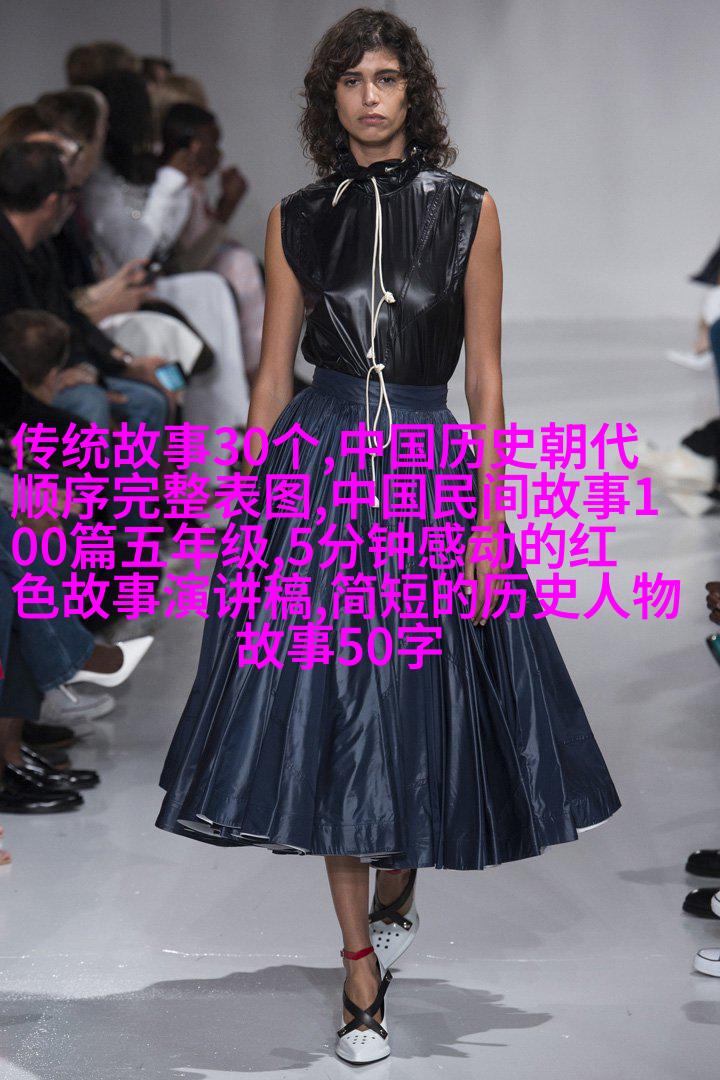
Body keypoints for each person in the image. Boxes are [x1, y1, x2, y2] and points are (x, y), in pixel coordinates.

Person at [154, 8, 621, 1066]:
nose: (370, 97)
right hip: (315, 470)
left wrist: (491, 523)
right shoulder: (295, 218)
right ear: (330, 99)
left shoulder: (469, 211)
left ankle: (399, 877)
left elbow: (486, 379)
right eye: (352, 81)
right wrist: (244, 500)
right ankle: (359, 969)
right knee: (331, 711)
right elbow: (270, 378)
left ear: (415, 94)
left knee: (412, 700)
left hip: (422, 468)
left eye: (387, 79)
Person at [159, 101, 266, 387]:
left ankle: (260, 372)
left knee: (242, 258)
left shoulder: (194, 187)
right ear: (195, 146)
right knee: (239, 263)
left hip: (198, 283)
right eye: (214, 143)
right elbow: (187, 262)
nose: (219, 154)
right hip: (178, 287)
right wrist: (227, 207)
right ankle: (256, 375)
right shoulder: (176, 189)